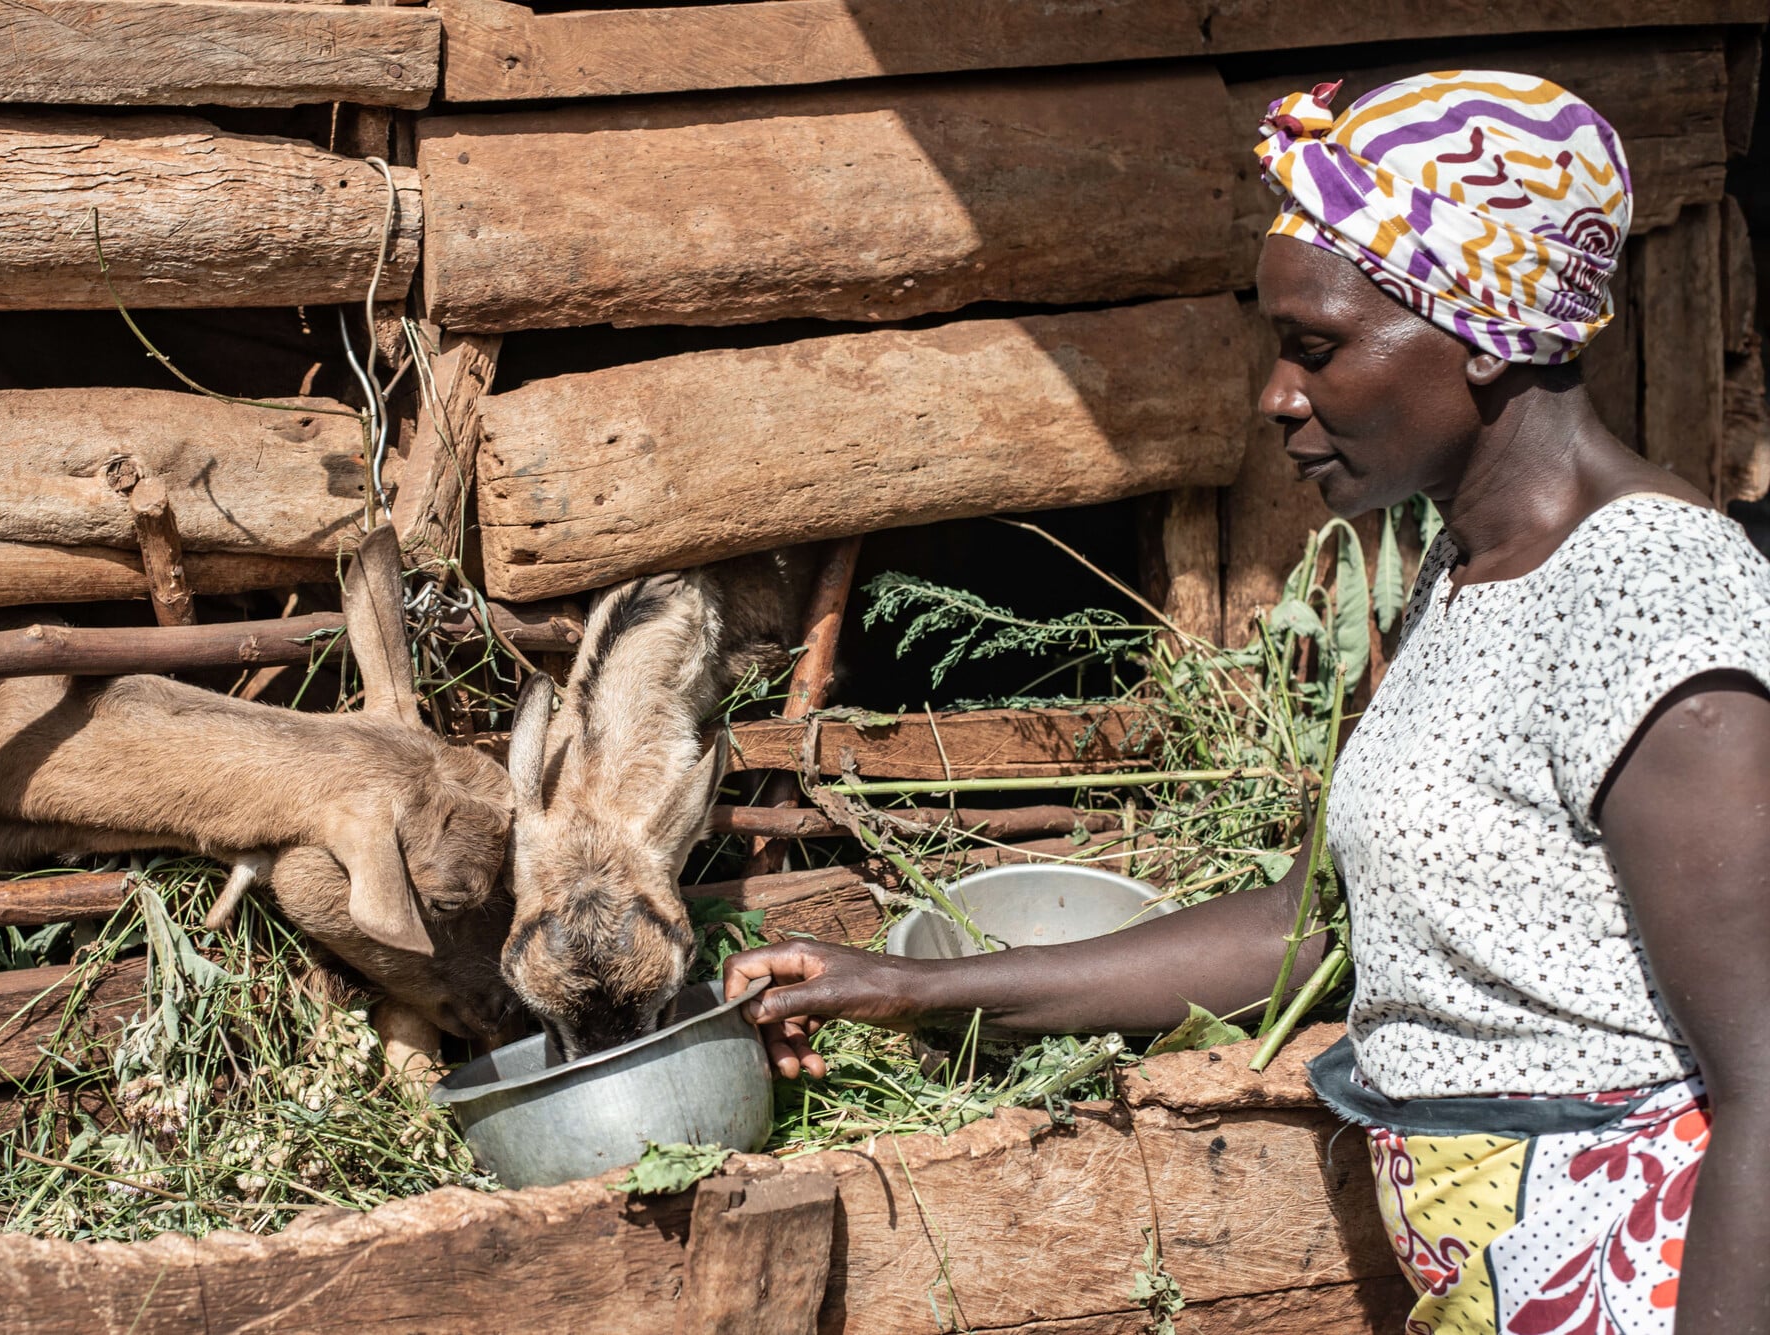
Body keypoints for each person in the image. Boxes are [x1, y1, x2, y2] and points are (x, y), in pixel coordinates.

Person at [724, 71, 1770, 1335]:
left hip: (1641, 1275)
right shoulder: (1470, 569)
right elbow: (1321, 924)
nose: (1276, 394)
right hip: (1493, 1277)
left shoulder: (1656, 603)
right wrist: (909, 987)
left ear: (1485, 337)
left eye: (1317, 347)